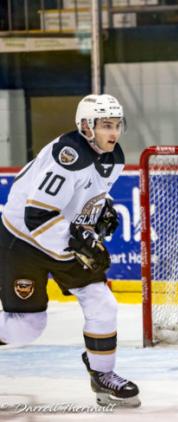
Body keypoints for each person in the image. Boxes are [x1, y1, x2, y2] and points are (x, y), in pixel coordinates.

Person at [0, 94, 140, 407]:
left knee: (103, 304)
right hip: (23, 240)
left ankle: (103, 375)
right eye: (106, 125)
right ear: (87, 127)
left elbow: (91, 192)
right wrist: (79, 244)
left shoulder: (112, 156)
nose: (113, 132)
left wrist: (103, 210)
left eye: (117, 124)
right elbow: (37, 216)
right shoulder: (68, 156)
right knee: (26, 328)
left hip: (60, 237)